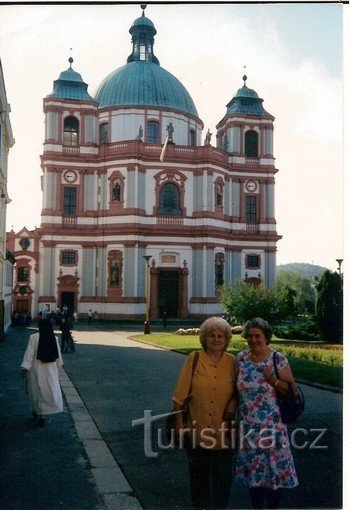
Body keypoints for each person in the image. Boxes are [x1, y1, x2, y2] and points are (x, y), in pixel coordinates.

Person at [172, 316, 237, 510]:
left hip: (223, 431)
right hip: (197, 429)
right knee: (199, 480)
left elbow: (240, 392)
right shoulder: (195, 359)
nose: (216, 340)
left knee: (222, 481)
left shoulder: (233, 362)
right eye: (211, 336)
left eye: (220, 336)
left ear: (226, 339)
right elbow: (179, 397)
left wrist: (233, 402)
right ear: (204, 338)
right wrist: (179, 424)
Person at [235, 317, 299, 509]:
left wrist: (274, 382)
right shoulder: (241, 358)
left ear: (266, 337)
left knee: (273, 473)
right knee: (254, 474)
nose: (253, 340)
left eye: (258, 336)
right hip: (248, 428)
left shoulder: (277, 359)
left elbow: (293, 391)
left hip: (272, 427)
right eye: (250, 336)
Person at [20, 319, 63, 427]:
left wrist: (25, 368)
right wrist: (58, 367)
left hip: (36, 370)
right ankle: (43, 415)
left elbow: (29, 355)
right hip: (50, 370)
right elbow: (58, 356)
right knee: (48, 391)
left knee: (35, 391)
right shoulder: (54, 338)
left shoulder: (33, 337)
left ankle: (37, 411)